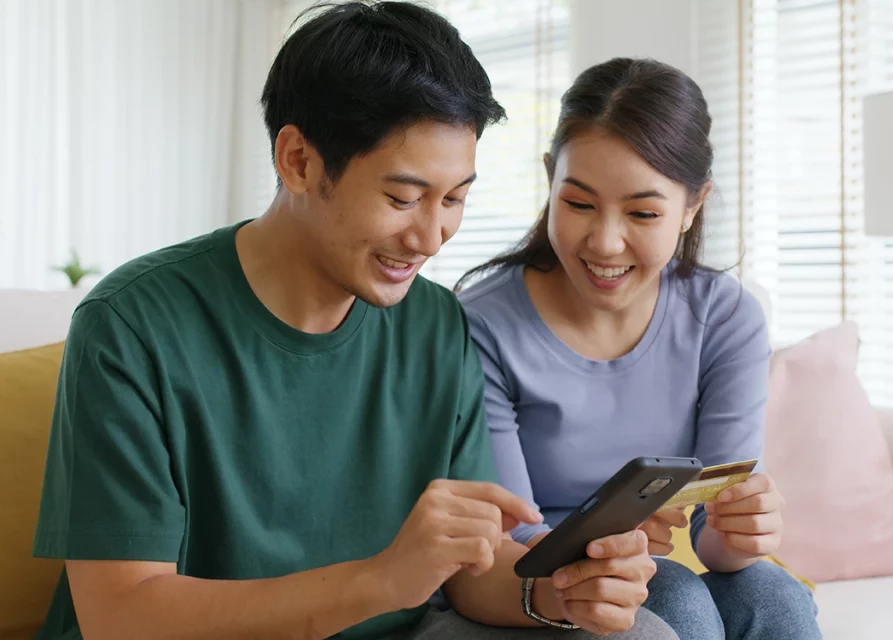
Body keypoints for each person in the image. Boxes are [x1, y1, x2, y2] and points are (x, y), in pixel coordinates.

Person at [30, 5, 677, 639]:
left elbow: (476, 572)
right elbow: (122, 615)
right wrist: (380, 580)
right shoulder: (133, 327)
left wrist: (562, 592)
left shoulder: (434, 325)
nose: (431, 236)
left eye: (454, 199)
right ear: (298, 161)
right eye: (402, 197)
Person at [456, 57, 822, 639]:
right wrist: (605, 546)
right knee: (674, 598)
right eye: (577, 203)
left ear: (692, 206)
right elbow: (513, 534)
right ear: (551, 178)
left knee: (772, 595)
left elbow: (714, 540)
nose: (604, 241)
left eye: (644, 213)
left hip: (644, 565)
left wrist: (741, 529)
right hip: (547, 584)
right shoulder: (482, 323)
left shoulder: (725, 318)